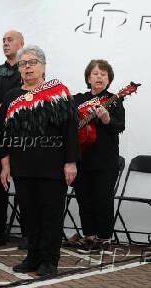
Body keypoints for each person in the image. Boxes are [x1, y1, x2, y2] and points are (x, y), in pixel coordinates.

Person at [0, 45, 79, 276]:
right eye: (23, 64)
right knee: (30, 215)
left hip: (52, 166)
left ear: (44, 66)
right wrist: (5, 163)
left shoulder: (58, 92)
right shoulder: (12, 97)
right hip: (23, 167)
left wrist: (70, 162)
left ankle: (49, 260)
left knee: (50, 214)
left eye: (32, 62)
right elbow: (2, 133)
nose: (27, 67)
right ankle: (32, 257)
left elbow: (70, 130)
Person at [73, 60, 125, 253]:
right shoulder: (78, 99)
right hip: (81, 159)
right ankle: (89, 238)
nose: (99, 77)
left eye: (104, 74)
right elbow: (69, 123)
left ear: (109, 79)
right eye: (95, 73)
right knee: (84, 199)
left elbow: (120, 126)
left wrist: (107, 119)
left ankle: (104, 239)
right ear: (88, 77)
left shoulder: (114, 100)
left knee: (102, 199)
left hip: (105, 161)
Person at [0, 30, 24, 248]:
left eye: (10, 40)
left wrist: (8, 108)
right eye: (3, 40)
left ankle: (28, 233)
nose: (6, 43)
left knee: (24, 184)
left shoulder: (29, 70)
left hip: (21, 137)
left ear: (22, 43)